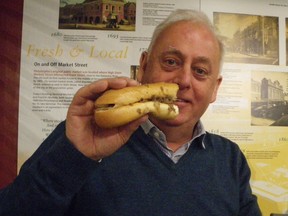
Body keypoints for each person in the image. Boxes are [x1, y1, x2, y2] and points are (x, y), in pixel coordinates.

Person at [0, 9, 261, 215]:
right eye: (171, 62)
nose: (183, 80)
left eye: (200, 71)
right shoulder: (82, 136)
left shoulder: (230, 159)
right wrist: (73, 157)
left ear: (214, 89)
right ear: (144, 66)